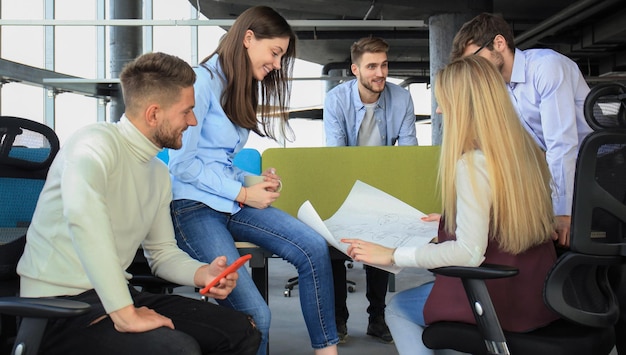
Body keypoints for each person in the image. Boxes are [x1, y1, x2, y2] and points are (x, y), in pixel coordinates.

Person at [16, 52, 261, 355]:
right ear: (154, 114)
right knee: (176, 349)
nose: (193, 121)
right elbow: (82, 217)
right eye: (187, 111)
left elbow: (162, 254)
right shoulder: (92, 144)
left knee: (239, 330)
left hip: (115, 297)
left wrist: (203, 274)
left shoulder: (157, 173)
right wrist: (124, 313)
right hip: (55, 308)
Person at [341, 55, 560, 354]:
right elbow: (510, 213)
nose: (440, 111)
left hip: (498, 301)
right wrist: (449, 220)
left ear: (466, 108)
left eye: (445, 102)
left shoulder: (473, 162)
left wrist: (394, 254)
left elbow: (469, 253)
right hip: (540, 296)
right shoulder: (526, 151)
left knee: (398, 309)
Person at [167, 6, 339, 355]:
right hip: (193, 209)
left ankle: (327, 351)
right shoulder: (200, 82)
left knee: (314, 248)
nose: (278, 64)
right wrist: (244, 192)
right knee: (256, 315)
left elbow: (219, 160)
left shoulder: (238, 86)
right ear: (248, 39)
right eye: (275, 52)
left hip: (231, 201)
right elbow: (182, 165)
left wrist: (255, 180)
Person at [450, 12, 593, 248]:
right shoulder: (500, 88)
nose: (474, 70)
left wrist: (563, 211)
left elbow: (562, 145)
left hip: (596, 167)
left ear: (499, 43)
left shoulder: (546, 67)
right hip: (560, 173)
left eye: (475, 59)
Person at [323, 36, 418, 344]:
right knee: (333, 248)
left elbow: (408, 153)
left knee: (383, 243)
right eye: (372, 66)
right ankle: (339, 320)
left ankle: (376, 317)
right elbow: (336, 155)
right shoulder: (336, 100)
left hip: (383, 182)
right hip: (343, 181)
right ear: (355, 70)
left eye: (384, 65)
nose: (380, 73)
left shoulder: (401, 98)